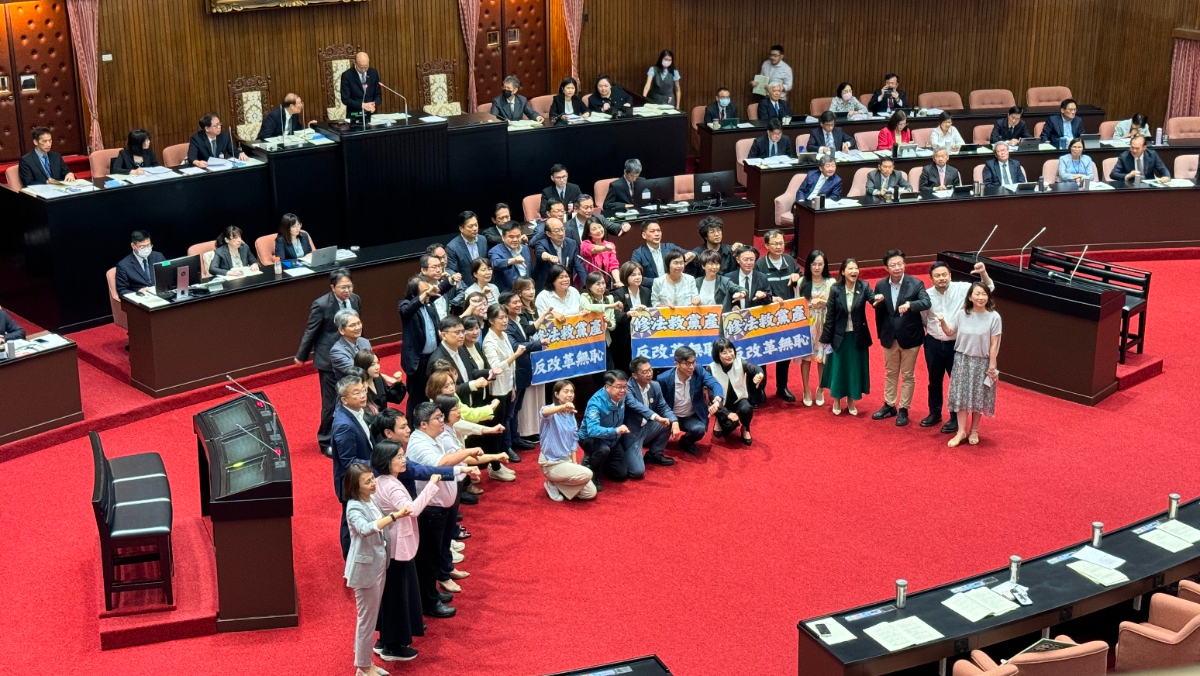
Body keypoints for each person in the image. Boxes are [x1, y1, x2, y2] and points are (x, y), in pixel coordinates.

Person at [369, 440, 441, 662]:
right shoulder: (391, 486)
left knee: (391, 594)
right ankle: (393, 646)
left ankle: (385, 640)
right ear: (386, 462)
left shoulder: (381, 482)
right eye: (399, 457)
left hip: (390, 545)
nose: (404, 460)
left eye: (403, 455)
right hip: (398, 548)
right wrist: (431, 485)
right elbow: (412, 510)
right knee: (398, 596)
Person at [404, 402, 475, 617]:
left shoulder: (432, 437)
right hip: (430, 510)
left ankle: (432, 592)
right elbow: (440, 464)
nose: (442, 421)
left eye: (442, 416)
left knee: (436, 554)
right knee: (428, 558)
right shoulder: (419, 443)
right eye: (437, 418)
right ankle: (429, 602)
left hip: (440, 507)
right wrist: (468, 453)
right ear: (423, 424)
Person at [342, 462, 408, 676]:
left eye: (372, 479)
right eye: (367, 482)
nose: (373, 484)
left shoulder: (371, 499)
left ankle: (364, 662)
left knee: (369, 617)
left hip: (378, 564)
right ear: (355, 486)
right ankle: (362, 667)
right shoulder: (354, 507)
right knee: (367, 619)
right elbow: (364, 529)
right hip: (365, 571)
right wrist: (394, 516)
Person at [921, 261, 993, 434]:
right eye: (937, 276)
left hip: (956, 345)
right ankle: (934, 413)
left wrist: (983, 273)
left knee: (957, 383)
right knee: (934, 380)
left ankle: (954, 418)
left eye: (944, 275)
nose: (941, 278)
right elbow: (923, 318)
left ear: (950, 276)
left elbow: (989, 287)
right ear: (931, 278)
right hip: (933, 343)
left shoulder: (962, 288)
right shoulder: (926, 295)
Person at [297, 269, 361, 455]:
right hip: (328, 361)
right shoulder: (321, 304)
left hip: (350, 356)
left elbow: (358, 327)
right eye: (343, 287)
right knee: (331, 402)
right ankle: (325, 440)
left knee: (352, 396)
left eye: (350, 286)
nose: (347, 291)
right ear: (333, 287)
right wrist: (302, 355)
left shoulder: (355, 299)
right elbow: (311, 331)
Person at [936, 283, 1002, 447]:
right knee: (961, 396)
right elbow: (950, 332)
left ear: (988, 297)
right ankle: (961, 432)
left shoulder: (994, 317)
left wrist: (992, 366)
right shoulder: (962, 314)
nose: (981, 297)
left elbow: (994, 344)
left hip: (982, 362)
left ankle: (974, 430)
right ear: (970, 297)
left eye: (984, 294)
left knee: (978, 397)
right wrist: (942, 321)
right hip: (962, 361)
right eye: (977, 294)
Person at [870, 250, 931, 428]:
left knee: (908, 375)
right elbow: (879, 312)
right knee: (890, 372)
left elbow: (926, 302)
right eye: (893, 265)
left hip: (910, 337)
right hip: (889, 336)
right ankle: (889, 405)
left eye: (899, 264)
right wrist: (881, 332)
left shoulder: (916, 283)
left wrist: (910, 305)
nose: (897, 268)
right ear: (886, 268)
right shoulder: (880, 285)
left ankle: (904, 408)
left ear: (905, 264)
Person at [820, 258, 872, 415]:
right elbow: (830, 316)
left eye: (856, 268)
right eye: (850, 268)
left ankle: (851, 400)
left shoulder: (864, 286)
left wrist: (878, 300)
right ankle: (836, 399)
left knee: (853, 369)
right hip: (839, 337)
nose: (854, 271)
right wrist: (825, 338)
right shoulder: (836, 289)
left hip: (857, 336)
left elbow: (873, 299)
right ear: (843, 272)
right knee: (839, 369)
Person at [333, 375, 374, 558]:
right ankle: (351, 560)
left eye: (363, 390)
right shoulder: (344, 425)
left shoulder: (356, 411)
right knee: (349, 522)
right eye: (356, 393)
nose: (363, 395)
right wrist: (378, 464)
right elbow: (349, 462)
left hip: (363, 477)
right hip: (352, 482)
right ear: (344, 400)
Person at [755, 231, 799, 400]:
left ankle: (782, 387)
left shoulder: (789, 260)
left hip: (786, 316)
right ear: (766, 245)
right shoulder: (760, 265)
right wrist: (770, 298)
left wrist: (798, 277)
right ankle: (761, 388)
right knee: (764, 352)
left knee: (784, 351)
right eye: (775, 244)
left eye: (781, 243)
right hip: (766, 315)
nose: (779, 247)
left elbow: (801, 280)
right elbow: (757, 289)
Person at [398, 274, 450, 417]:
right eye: (424, 291)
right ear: (414, 294)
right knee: (417, 398)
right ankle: (412, 426)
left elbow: (439, 290)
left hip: (434, 357)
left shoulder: (428, 304)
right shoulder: (405, 305)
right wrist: (425, 295)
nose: (428, 293)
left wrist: (450, 281)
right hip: (418, 361)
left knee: (435, 393)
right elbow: (407, 310)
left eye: (428, 290)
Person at [505, 283, 551, 446]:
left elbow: (529, 331)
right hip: (514, 372)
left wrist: (543, 316)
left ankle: (516, 438)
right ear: (505, 306)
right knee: (509, 412)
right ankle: (509, 443)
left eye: (519, 302)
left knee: (516, 408)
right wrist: (539, 343)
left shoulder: (517, 320)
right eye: (515, 303)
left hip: (523, 371)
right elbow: (516, 346)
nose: (519, 305)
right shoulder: (506, 324)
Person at [656, 346, 723, 456]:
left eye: (693, 362)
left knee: (699, 429)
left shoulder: (699, 371)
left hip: (690, 416)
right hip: (671, 416)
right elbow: (660, 404)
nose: (691, 367)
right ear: (677, 364)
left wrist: (717, 400)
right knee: (652, 442)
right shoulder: (663, 379)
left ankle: (685, 442)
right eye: (687, 364)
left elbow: (715, 384)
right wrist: (672, 420)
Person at [539, 381, 597, 500]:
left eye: (572, 392)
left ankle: (556, 484)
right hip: (551, 463)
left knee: (590, 493)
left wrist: (574, 463)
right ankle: (552, 482)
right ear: (556, 394)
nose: (569, 395)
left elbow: (573, 441)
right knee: (587, 473)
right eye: (566, 391)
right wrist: (562, 407)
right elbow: (543, 413)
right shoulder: (550, 410)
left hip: (566, 460)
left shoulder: (571, 415)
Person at [482, 304, 525, 462]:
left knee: (507, 417)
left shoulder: (504, 335)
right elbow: (496, 367)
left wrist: (513, 386)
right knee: (500, 421)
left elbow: (511, 367)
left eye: (506, 317)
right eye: (501, 318)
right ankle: (501, 451)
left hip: (508, 384)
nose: (505, 321)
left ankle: (506, 447)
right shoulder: (489, 341)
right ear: (491, 320)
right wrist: (516, 355)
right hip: (497, 388)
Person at [578, 370, 633, 490]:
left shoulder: (622, 396)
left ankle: (597, 461)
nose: (623, 390)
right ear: (608, 386)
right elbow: (592, 430)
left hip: (612, 440)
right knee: (603, 450)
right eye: (619, 387)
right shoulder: (595, 403)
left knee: (620, 475)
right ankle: (592, 472)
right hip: (591, 439)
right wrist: (615, 431)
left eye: (625, 386)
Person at [623, 357, 677, 469]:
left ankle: (654, 454)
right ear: (635, 375)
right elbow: (636, 405)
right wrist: (656, 417)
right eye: (644, 372)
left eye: (650, 370)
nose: (649, 374)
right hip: (632, 433)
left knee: (668, 421)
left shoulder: (655, 385)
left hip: (647, 427)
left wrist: (675, 421)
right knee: (637, 472)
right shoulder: (627, 388)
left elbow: (663, 407)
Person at [708, 339, 763, 446]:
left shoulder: (740, 362)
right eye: (724, 353)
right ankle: (719, 420)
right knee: (729, 425)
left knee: (746, 408)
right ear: (717, 355)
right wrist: (726, 414)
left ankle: (746, 428)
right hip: (720, 404)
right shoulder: (711, 368)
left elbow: (754, 368)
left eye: (730, 351)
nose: (729, 355)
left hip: (739, 399)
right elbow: (711, 396)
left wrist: (760, 374)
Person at [797, 250, 833, 406]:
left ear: (825, 265)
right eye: (814, 264)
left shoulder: (831, 282)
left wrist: (824, 303)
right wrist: (810, 305)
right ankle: (806, 389)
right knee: (806, 358)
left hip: (824, 323)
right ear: (808, 265)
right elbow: (797, 305)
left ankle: (820, 388)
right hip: (807, 323)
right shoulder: (802, 282)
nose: (817, 267)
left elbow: (835, 304)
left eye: (820, 264)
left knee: (822, 358)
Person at [611, 262, 651, 374]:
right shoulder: (618, 293)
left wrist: (647, 309)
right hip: (624, 339)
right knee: (625, 370)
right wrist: (628, 314)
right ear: (625, 276)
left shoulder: (646, 291)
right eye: (633, 275)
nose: (637, 277)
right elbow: (616, 316)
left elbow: (653, 312)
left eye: (639, 274)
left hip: (643, 336)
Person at [533, 217, 586, 290]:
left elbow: (579, 266)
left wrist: (586, 285)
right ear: (548, 233)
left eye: (562, 229)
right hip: (547, 286)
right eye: (557, 231)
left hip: (565, 285)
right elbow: (540, 253)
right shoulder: (542, 244)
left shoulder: (572, 244)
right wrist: (549, 257)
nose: (561, 233)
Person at [353, 349, 406, 416]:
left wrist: (397, 384)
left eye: (377, 363)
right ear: (363, 367)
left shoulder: (378, 378)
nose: (377, 367)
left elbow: (393, 397)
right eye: (372, 365)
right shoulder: (357, 387)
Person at [580, 272, 622, 354]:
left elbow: (613, 326)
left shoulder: (609, 298)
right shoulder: (584, 296)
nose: (602, 286)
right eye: (598, 284)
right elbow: (588, 307)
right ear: (590, 286)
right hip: (588, 340)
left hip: (604, 339)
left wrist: (609, 322)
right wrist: (610, 306)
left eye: (603, 283)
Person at [115, 230, 166, 295]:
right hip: (141, 297)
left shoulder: (158, 256)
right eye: (142, 247)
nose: (146, 249)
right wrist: (138, 293)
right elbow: (122, 290)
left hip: (161, 293)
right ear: (133, 246)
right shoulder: (123, 265)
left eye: (148, 245)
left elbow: (167, 276)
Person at [488, 221, 532, 291]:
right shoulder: (495, 251)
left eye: (518, 236)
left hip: (526, 289)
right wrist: (513, 261)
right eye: (511, 237)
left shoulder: (525, 248)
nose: (515, 240)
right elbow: (495, 263)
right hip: (508, 292)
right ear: (503, 238)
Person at [445, 211, 490, 279]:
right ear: (461, 229)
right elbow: (452, 271)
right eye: (470, 226)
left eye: (476, 225)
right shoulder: (452, 247)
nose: (475, 228)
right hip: (466, 284)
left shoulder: (482, 240)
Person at [727, 244, 772, 311]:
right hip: (736, 315)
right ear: (738, 260)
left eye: (752, 259)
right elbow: (724, 299)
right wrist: (732, 306)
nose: (749, 263)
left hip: (756, 314)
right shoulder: (729, 278)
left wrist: (764, 295)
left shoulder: (762, 277)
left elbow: (770, 299)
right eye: (745, 260)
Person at [330, 309, 371, 381]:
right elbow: (357, 372)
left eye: (359, 323)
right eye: (352, 325)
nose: (358, 327)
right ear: (341, 330)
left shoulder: (365, 342)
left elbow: (373, 364)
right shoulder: (337, 351)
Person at [340, 51, 381, 120]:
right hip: (354, 115)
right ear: (355, 63)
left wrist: (374, 104)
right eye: (361, 67)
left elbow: (378, 95)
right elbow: (345, 99)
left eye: (366, 67)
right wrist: (362, 105)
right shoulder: (347, 75)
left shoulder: (373, 73)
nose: (363, 70)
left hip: (372, 115)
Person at [580, 218, 621, 282]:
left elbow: (614, 265)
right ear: (589, 233)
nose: (599, 231)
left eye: (600, 227)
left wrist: (618, 281)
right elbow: (593, 249)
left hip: (604, 282)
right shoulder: (585, 244)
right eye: (594, 229)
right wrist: (604, 248)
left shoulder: (610, 245)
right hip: (588, 282)